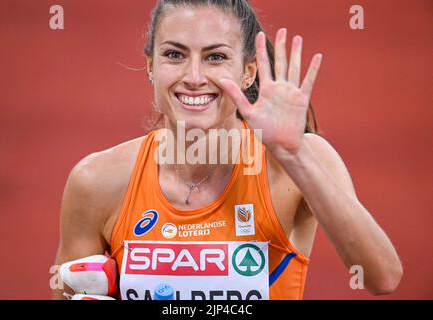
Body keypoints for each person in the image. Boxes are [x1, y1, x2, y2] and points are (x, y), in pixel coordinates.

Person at [53, 0, 403, 300]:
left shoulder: (295, 163)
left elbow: (382, 277)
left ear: (249, 71)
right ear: (150, 66)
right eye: (174, 55)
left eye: (215, 57)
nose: (193, 76)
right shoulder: (97, 181)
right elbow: (68, 290)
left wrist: (294, 157)